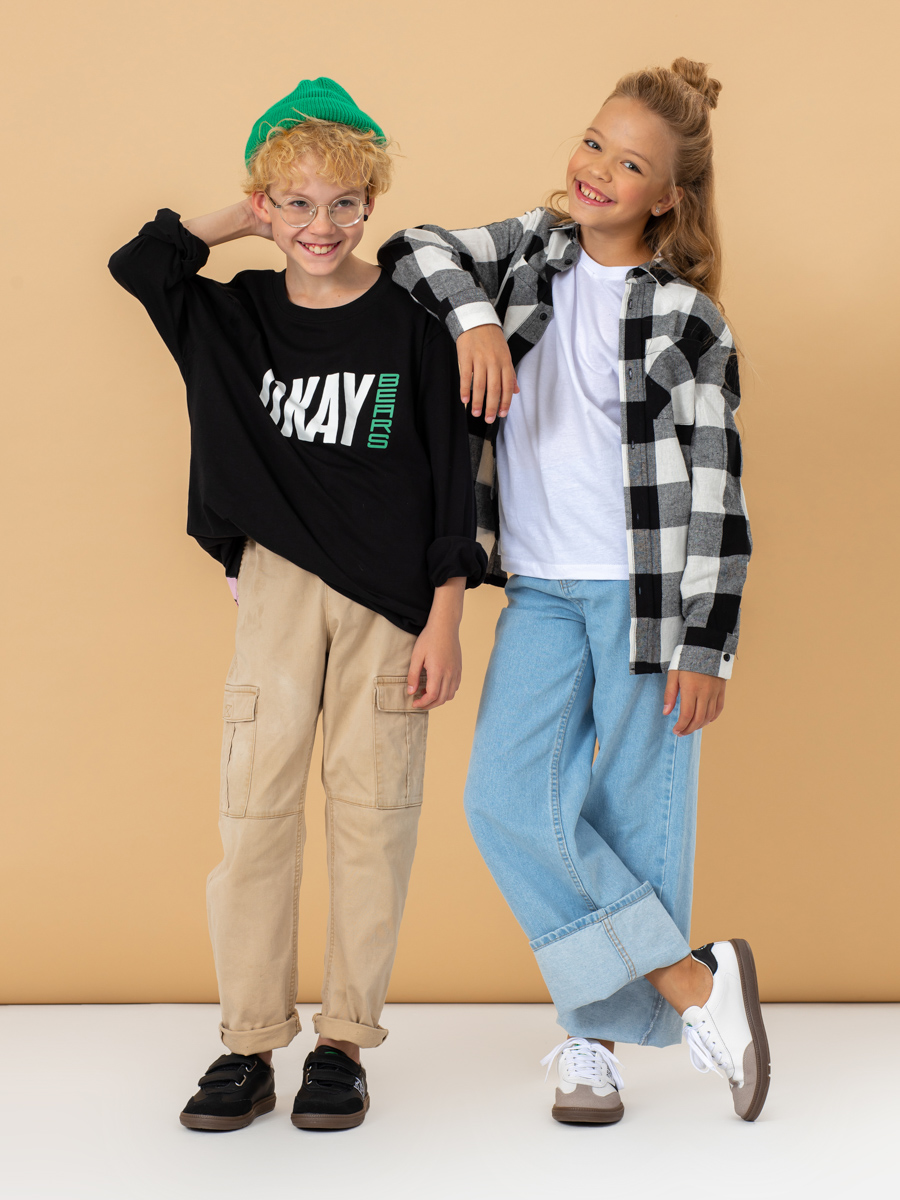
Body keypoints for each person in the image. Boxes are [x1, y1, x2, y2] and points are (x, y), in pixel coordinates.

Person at [379, 58, 768, 1123]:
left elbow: (720, 491)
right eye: (594, 142)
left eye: (630, 164)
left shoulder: (689, 318)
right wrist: (474, 320)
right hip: (543, 590)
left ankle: (591, 1041)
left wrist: (708, 643)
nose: (597, 170)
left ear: (668, 197)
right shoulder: (528, 254)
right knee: (506, 800)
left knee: (633, 818)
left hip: (648, 600)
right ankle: (690, 981)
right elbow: (410, 248)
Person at [109, 76, 486, 1132]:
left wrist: (446, 616)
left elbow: (453, 480)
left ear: (373, 204)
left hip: (392, 605)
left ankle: (344, 1043)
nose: (321, 225)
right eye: (296, 203)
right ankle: (248, 1042)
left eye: (344, 203)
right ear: (265, 205)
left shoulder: (414, 327)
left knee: (374, 820)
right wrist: (242, 212)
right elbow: (140, 264)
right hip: (275, 588)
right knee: (256, 816)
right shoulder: (231, 318)